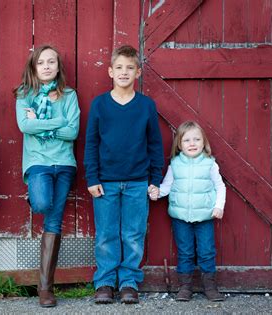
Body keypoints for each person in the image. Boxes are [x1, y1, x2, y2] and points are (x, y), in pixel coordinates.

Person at [84, 45, 164, 304]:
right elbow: (91, 144)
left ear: (138, 72)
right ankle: (105, 282)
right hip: (105, 182)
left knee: (133, 233)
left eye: (130, 68)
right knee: (106, 233)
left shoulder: (146, 106)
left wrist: (155, 179)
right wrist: (92, 178)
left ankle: (129, 282)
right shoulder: (100, 105)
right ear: (110, 71)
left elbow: (155, 144)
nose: (124, 72)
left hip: (137, 181)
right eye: (119, 67)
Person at [14, 45, 80, 307]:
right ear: (33, 66)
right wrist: (58, 123)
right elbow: (24, 125)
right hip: (38, 163)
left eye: (51, 61)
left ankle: (45, 289)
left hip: (64, 163)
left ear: (58, 66)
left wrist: (41, 126)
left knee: (54, 221)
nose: (46, 66)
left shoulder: (69, 95)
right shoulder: (25, 95)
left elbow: (72, 131)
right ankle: (34, 195)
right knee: (42, 203)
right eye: (41, 62)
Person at [149, 120, 226, 302]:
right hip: (181, 217)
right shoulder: (175, 164)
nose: (192, 144)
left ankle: (210, 287)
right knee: (185, 252)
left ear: (203, 143)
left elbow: (220, 186)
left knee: (207, 251)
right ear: (179, 144)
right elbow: (167, 186)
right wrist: (156, 192)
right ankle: (185, 287)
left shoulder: (210, 164)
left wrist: (219, 206)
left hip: (205, 216)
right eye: (187, 140)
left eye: (197, 140)